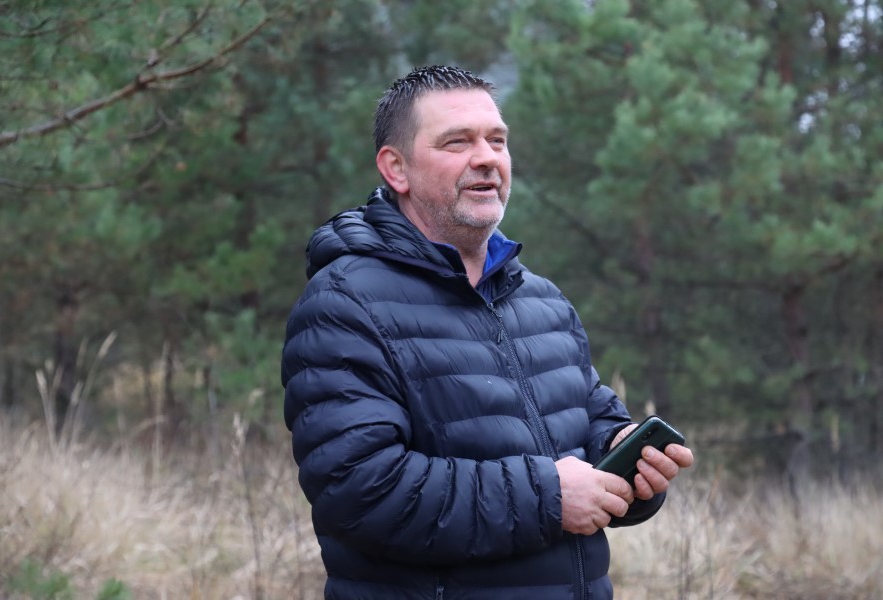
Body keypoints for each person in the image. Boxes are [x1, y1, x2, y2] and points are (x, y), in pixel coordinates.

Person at [282, 65, 694, 600]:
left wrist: (628, 463)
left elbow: (592, 426)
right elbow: (361, 492)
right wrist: (549, 496)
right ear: (396, 168)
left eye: (496, 140)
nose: (486, 158)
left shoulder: (542, 300)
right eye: (457, 142)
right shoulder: (344, 303)